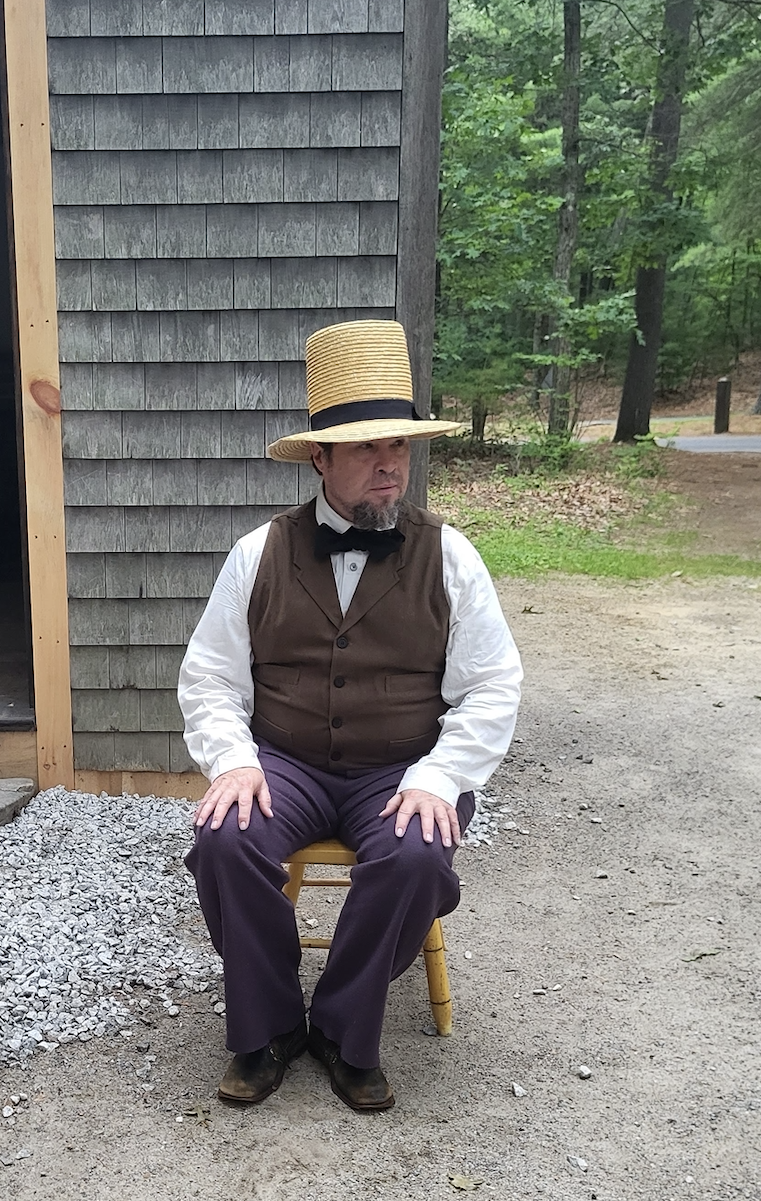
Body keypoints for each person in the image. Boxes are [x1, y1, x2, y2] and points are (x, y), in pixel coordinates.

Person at [179, 319, 523, 1112]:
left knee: (416, 858)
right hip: (286, 764)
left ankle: (341, 1026)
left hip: (403, 767)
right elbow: (208, 678)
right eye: (368, 449)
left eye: (398, 447)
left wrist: (443, 777)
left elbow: (493, 685)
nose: (389, 465)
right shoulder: (256, 554)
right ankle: (265, 1027)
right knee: (225, 840)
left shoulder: (452, 554)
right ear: (321, 458)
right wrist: (233, 761)